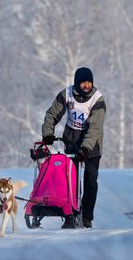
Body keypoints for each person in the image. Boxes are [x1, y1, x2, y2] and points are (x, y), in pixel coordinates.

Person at [42, 67, 106, 229]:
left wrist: (85, 149)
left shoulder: (97, 100)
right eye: (83, 83)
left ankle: (86, 217)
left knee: (90, 180)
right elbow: (52, 114)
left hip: (92, 143)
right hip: (72, 139)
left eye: (89, 82)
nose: (86, 86)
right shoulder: (67, 94)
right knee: (70, 179)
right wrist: (48, 133)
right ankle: (70, 214)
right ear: (77, 83)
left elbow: (95, 128)